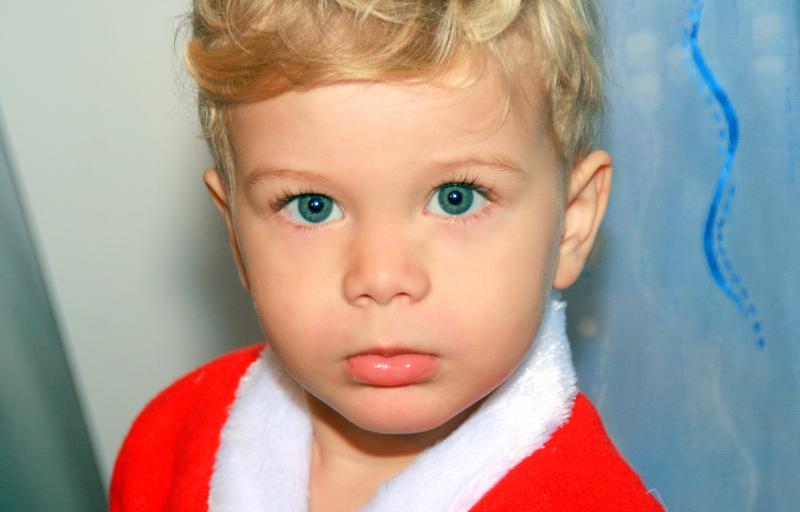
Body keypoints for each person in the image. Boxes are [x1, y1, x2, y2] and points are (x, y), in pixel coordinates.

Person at [110, 1, 663, 510]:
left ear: (571, 223)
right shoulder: (167, 445)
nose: (379, 276)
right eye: (312, 206)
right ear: (235, 234)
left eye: (456, 198)